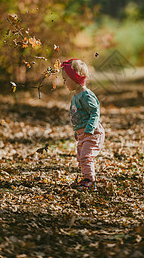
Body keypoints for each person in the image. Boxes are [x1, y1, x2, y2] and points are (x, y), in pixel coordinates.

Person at [61, 58, 105, 191]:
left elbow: (95, 112)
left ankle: (90, 181)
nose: (64, 82)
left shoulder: (86, 96)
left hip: (92, 133)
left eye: (65, 79)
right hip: (82, 134)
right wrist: (77, 131)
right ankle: (85, 179)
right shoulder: (76, 96)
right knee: (81, 158)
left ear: (75, 78)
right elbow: (78, 116)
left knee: (86, 157)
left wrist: (89, 128)